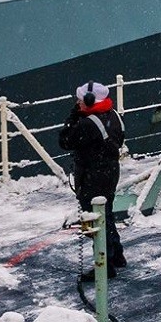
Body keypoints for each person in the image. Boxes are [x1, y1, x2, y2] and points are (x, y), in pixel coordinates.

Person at [60, 80, 127, 273]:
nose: (77, 103)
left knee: (96, 220)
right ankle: (116, 256)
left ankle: (104, 267)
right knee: (106, 215)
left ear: (90, 101)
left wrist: (73, 116)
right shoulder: (113, 115)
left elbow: (64, 140)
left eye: (80, 100)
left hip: (93, 176)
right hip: (110, 171)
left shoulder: (88, 123)